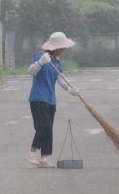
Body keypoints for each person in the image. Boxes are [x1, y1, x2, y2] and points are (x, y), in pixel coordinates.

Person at [24, 32, 79, 168]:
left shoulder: (56, 61)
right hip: (38, 98)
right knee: (43, 127)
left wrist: (70, 89)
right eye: (63, 47)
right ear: (57, 47)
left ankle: (43, 160)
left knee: (49, 130)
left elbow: (60, 78)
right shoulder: (42, 55)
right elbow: (31, 71)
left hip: (50, 100)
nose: (64, 50)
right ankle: (31, 154)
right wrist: (40, 63)